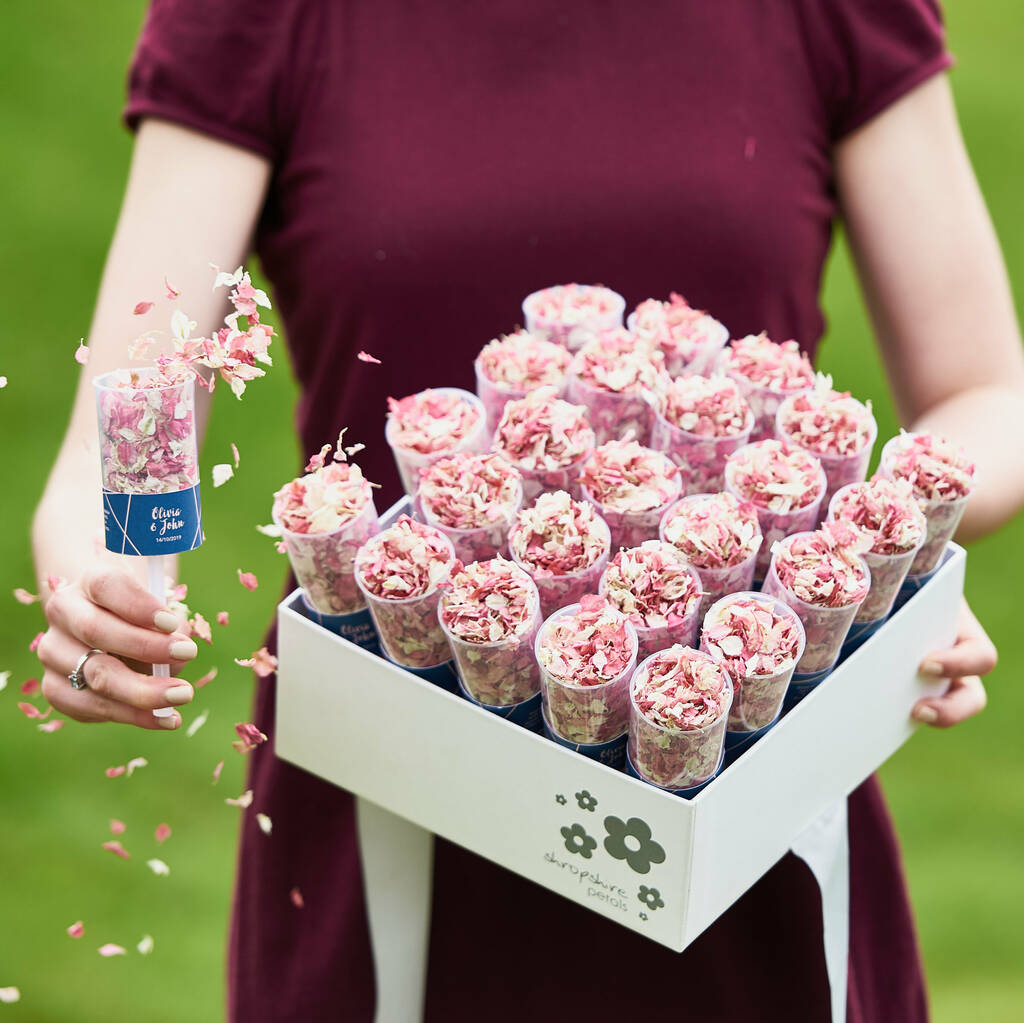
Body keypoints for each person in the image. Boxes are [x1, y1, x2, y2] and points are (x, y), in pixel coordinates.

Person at [31, 1, 1019, 1019]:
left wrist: (885, 544)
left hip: (747, 778)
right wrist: (122, 578)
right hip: (396, 771)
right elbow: (143, 400)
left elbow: (986, 389)